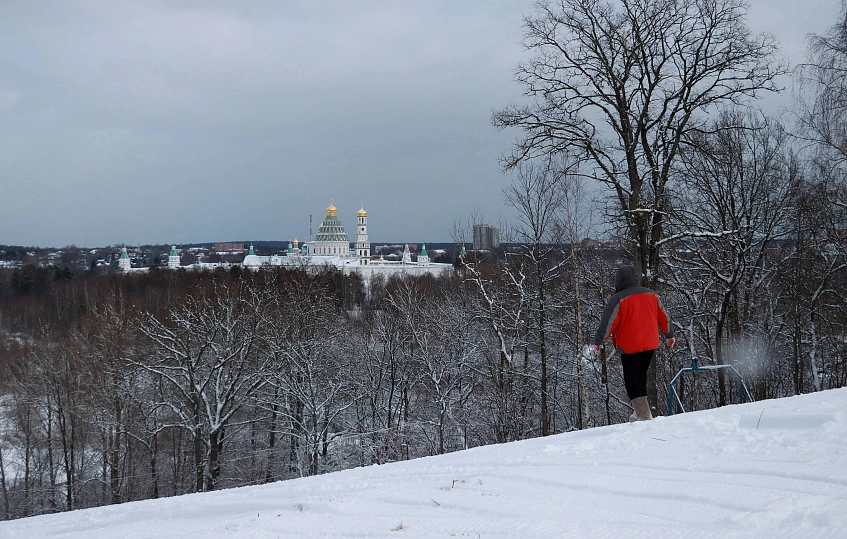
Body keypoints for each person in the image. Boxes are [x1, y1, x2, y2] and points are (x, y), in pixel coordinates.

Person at [593, 265, 675, 421]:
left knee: (631, 382)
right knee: (640, 378)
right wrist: (669, 335)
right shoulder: (652, 295)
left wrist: (599, 341)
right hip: (650, 344)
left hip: (630, 346)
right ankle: (638, 414)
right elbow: (664, 316)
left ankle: (644, 417)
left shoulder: (617, 299)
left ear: (618, 281)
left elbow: (608, 323)